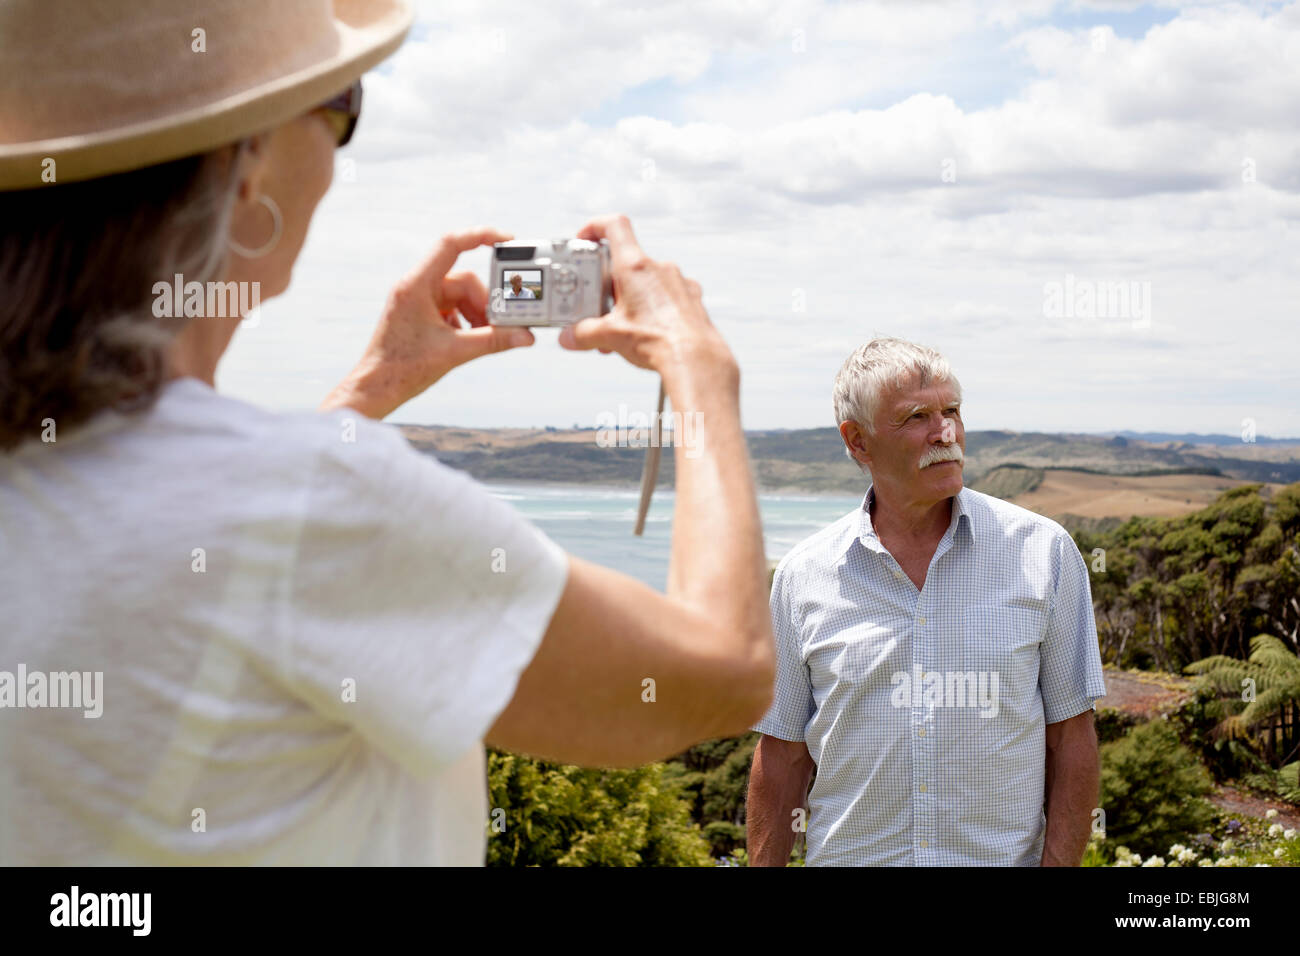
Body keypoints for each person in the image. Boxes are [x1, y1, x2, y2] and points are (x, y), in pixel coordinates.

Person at [0, 0, 773, 865]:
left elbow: (203, 537)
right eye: (341, 105)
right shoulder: (306, 504)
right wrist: (700, 370)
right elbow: (719, 677)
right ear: (243, 161)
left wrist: (372, 388)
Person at [746, 337, 1106, 866]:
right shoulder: (804, 576)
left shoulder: (1044, 553)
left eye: (952, 411)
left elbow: (1072, 739)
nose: (947, 433)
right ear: (858, 442)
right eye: (917, 417)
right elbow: (780, 756)